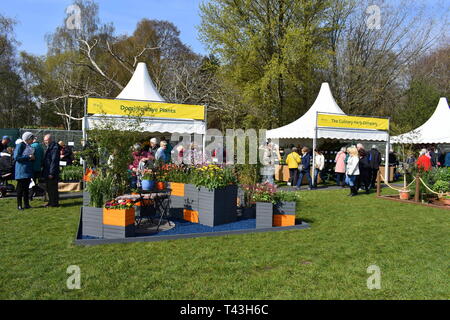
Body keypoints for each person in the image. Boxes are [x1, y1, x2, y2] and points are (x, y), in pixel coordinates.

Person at [14, 132, 35, 210]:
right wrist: (28, 156)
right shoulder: (20, 145)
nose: (33, 140)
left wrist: (32, 158)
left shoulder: (28, 146)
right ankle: (19, 205)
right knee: (20, 189)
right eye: (31, 138)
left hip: (27, 170)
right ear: (27, 139)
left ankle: (26, 204)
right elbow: (16, 157)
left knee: (26, 188)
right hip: (21, 170)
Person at [43, 134, 61, 207]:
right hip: (48, 170)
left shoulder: (54, 148)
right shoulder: (50, 147)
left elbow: (54, 161)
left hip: (52, 171)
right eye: (44, 140)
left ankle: (54, 203)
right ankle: (51, 201)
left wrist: (51, 173)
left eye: (46, 140)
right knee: (49, 188)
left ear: (50, 140)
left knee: (53, 188)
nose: (45, 142)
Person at [30, 136, 45, 201]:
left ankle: (30, 195)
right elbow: (42, 157)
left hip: (32, 167)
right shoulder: (40, 147)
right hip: (38, 167)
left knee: (31, 182)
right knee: (38, 181)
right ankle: (40, 192)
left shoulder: (31, 146)